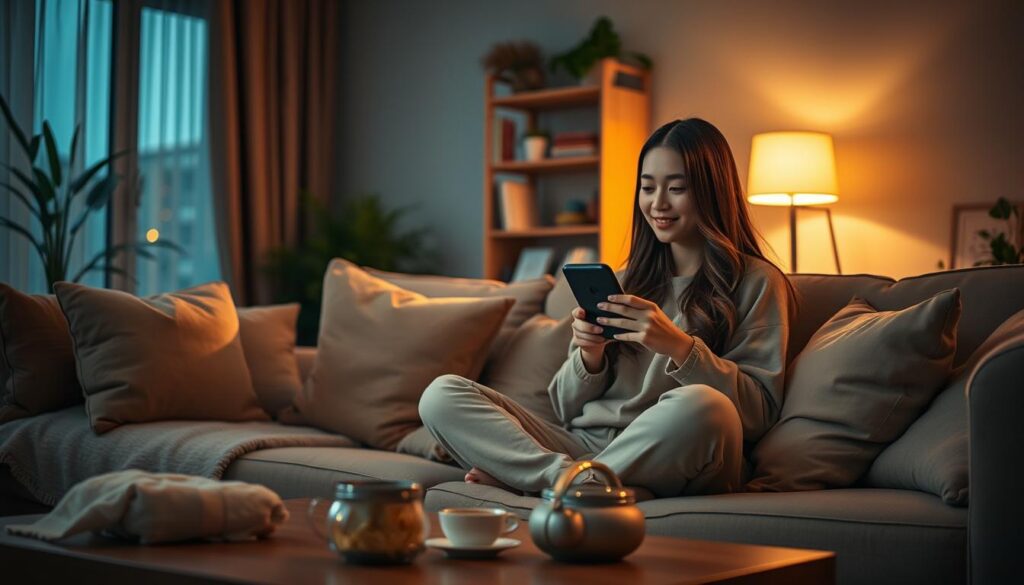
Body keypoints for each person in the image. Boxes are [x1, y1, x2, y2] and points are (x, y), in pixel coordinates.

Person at [419, 118, 795, 497]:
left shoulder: (756, 282)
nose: (658, 203)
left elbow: (759, 413)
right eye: (647, 187)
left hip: (673, 444)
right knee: (441, 394)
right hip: (585, 446)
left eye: (676, 188)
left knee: (705, 406)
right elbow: (564, 409)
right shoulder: (624, 281)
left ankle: (548, 482)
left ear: (712, 191)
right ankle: (581, 484)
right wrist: (589, 356)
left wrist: (679, 347)